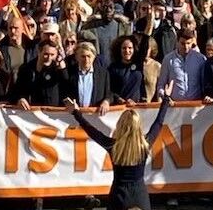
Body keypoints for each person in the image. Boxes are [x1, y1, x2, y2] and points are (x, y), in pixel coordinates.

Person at [63, 81, 172, 210]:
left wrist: (76, 113)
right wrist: (166, 98)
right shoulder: (144, 144)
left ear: (120, 125)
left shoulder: (113, 146)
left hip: (118, 196)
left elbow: (91, 131)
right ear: (138, 127)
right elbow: (158, 123)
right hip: (140, 196)